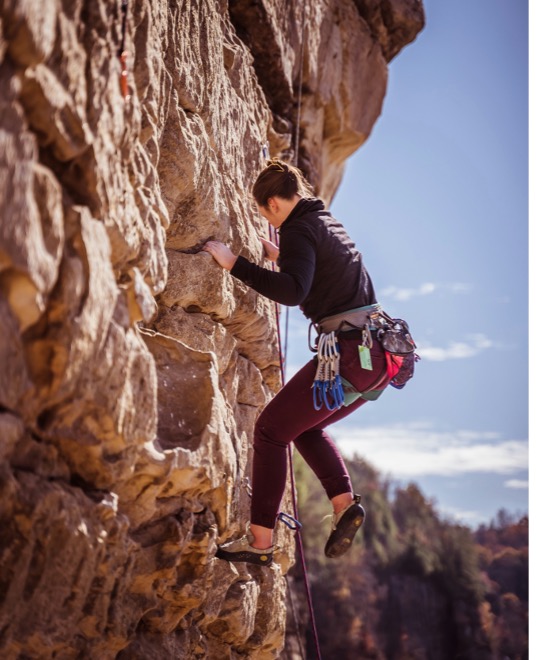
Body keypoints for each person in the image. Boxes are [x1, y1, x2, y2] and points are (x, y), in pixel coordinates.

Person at [202, 158, 391, 566]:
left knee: (270, 430)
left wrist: (235, 264)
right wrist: (282, 256)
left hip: (349, 353)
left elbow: (291, 291)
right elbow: (322, 276)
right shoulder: (325, 220)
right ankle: (344, 505)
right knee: (305, 429)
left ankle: (260, 542)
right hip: (375, 356)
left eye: (263, 213)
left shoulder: (299, 229)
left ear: (271, 203)